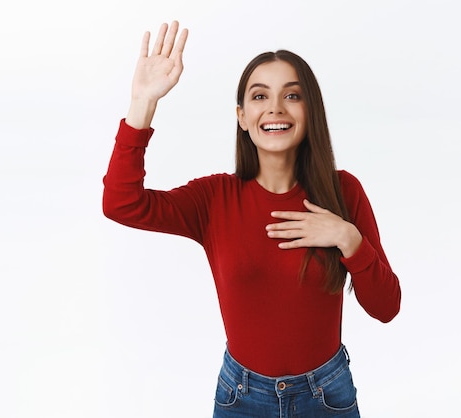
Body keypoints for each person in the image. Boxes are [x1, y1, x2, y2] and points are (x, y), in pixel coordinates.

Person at [102, 20, 401, 417]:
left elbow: (387, 307)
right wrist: (143, 103)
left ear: (310, 111)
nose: (275, 107)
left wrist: (349, 239)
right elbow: (121, 203)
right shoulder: (214, 198)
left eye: (291, 95)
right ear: (242, 117)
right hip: (241, 398)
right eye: (260, 97)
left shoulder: (343, 193)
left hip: (326, 397)